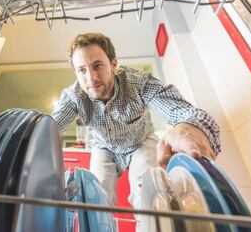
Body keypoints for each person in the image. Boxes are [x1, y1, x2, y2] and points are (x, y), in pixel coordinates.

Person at [51, 32, 221, 208]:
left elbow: (180, 110)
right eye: (82, 70)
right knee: (95, 199)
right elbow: (50, 128)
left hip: (141, 142)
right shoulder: (73, 96)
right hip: (103, 146)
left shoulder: (139, 83)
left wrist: (187, 127)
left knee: (149, 194)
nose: (91, 78)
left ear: (114, 64)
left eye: (98, 66)